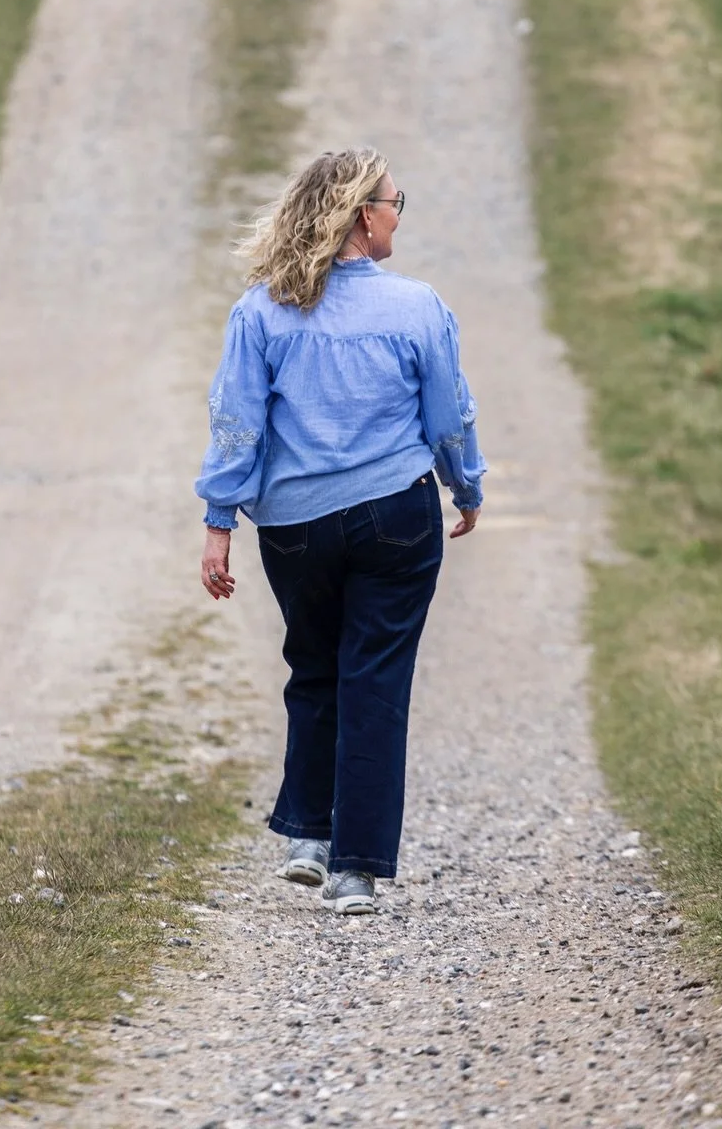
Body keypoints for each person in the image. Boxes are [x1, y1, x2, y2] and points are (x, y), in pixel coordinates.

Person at [195, 146, 484, 915]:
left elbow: (236, 425)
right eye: (394, 201)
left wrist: (219, 521)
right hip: (395, 513)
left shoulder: (262, 309)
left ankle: (306, 838)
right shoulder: (418, 307)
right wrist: (468, 487)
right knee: (375, 681)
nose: (398, 213)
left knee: (314, 666)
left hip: (294, 527)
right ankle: (353, 870)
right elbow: (449, 417)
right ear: (364, 217)